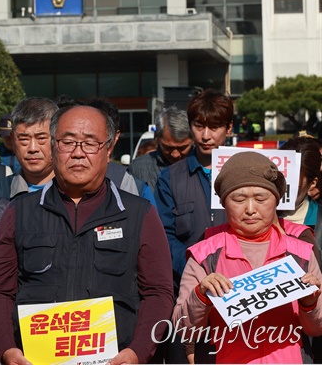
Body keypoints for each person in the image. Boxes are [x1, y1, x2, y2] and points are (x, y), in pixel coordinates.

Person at [0, 104, 174, 365]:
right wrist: (7, 349)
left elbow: (158, 293)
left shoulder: (139, 214)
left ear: (108, 150)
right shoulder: (19, 212)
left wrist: (138, 352)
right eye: (68, 142)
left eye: (90, 143)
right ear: (53, 147)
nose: (78, 153)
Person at [173, 151, 322, 363]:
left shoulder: (301, 254)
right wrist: (201, 296)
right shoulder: (204, 255)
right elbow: (183, 329)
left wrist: (309, 303)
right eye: (239, 199)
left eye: (261, 198)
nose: (250, 209)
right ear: (224, 203)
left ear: (276, 201)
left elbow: (316, 329)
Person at [0, 97, 58, 364]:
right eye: (22, 138)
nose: (32, 148)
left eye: (41, 138)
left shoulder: (75, 194)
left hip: (66, 331)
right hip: (6, 338)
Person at [155, 90, 233, 292]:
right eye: (199, 127)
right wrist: (195, 269)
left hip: (240, 282)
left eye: (214, 127)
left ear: (229, 128)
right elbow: (164, 235)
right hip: (189, 285)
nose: (206, 136)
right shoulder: (170, 177)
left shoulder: (249, 169)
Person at [129, 106, 192, 193]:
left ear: (193, 139)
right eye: (168, 148)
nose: (175, 154)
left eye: (182, 148)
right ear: (157, 137)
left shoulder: (206, 164)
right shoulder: (138, 168)